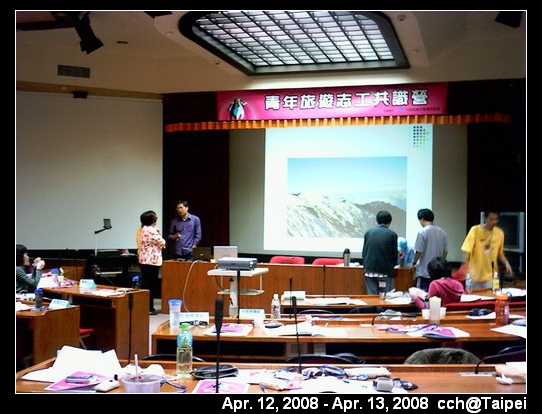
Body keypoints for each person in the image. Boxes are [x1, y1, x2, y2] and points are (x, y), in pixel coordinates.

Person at [461, 210, 513, 289]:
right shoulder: (475, 230)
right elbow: (466, 251)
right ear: (485, 218)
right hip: (474, 275)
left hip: (493, 275)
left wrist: (507, 264)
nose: (494, 222)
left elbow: (500, 253)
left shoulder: (500, 233)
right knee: (471, 295)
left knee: (494, 294)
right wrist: (464, 268)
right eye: (491, 219)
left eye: (496, 219)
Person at [361, 211, 398, 295]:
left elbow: (364, 253)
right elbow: (394, 256)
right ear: (390, 222)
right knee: (386, 297)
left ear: (377, 220)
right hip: (385, 272)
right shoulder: (392, 234)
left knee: (372, 297)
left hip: (369, 271)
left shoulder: (368, 232)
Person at [411, 208, 448, 291]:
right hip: (438, 272)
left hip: (424, 272)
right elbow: (445, 252)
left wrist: (413, 263)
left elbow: (418, 251)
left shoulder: (422, 232)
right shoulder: (442, 232)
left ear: (422, 219)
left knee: (423, 295)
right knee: (437, 295)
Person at [137, 210, 166, 315]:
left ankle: (144, 307)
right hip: (151, 261)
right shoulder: (151, 230)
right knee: (150, 285)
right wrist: (158, 233)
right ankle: (149, 308)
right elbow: (162, 242)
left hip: (144, 260)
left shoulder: (143, 229)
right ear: (152, 220)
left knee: (145, 284)